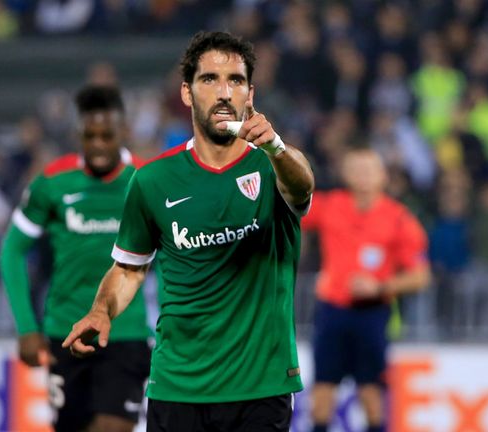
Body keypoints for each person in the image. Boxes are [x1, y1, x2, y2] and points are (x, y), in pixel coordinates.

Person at [62, 31, 315, 432]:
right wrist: (101, 309)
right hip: (178, 387)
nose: (223, 92)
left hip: (260, 388)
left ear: (250, 94)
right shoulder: (152, 180)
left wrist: (278, 148)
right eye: (209, 79)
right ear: (186, 92)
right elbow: (129, 268)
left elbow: (302, 188)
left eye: (235, 80)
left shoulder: (272, 166)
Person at [0, 85, 151, 432]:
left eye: (106, 135)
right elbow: (11, 251)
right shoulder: (52, 183)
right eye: (89, 135)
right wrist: (26, 328)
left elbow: (173, 255)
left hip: (124, 333)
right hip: (64, 331)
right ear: (77, 133)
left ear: (123, 132)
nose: (97, 144)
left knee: (113, 426)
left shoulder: (144, 181)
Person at [302, 147, 431, 432]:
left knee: (370, 393)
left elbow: (421, 276)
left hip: (371, 314)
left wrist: (380, 287)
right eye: (356, 168)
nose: (362, 175)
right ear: (345, 174)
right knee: (323, 390)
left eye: (369, 169)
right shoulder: (330, 204)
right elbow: (290, 211)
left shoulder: (399, 219)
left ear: (383, 176)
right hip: (332, 310)